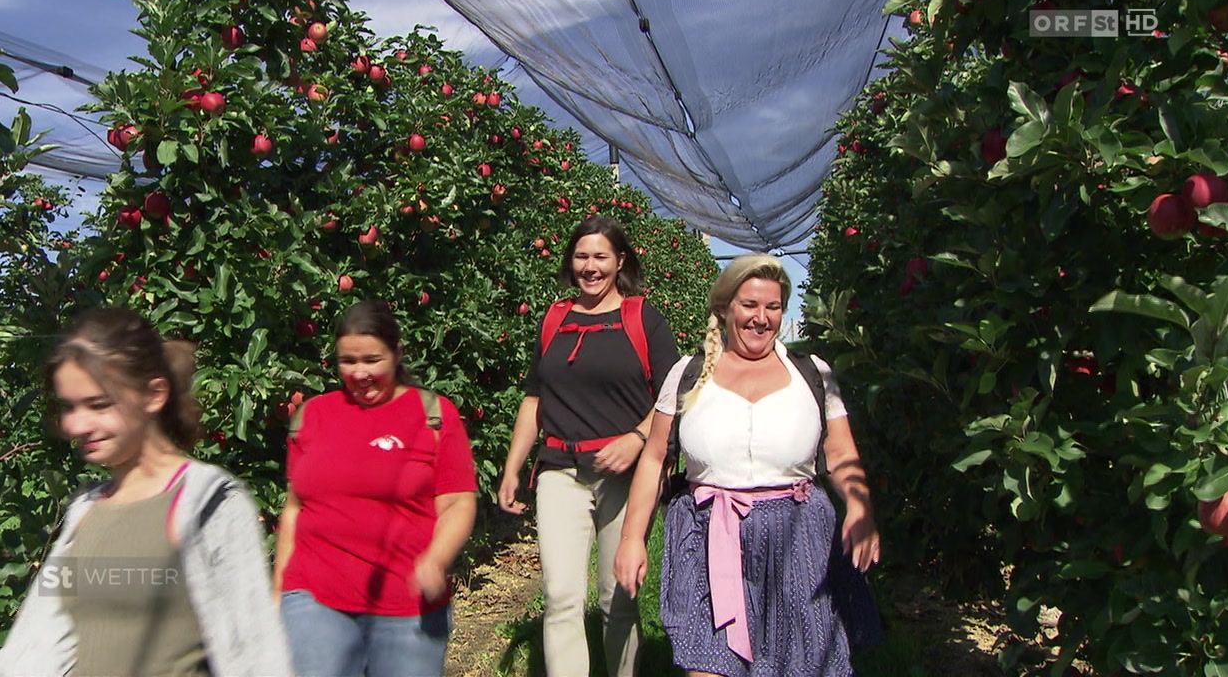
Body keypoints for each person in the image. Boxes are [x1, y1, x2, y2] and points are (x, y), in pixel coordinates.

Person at [0, 307, 294, 677]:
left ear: (153, 394)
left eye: (99, 404)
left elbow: (254, 656)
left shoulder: (208, 504)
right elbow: (35, 645)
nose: (77, 424)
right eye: (69, 407)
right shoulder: (86, 512)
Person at [614, 253, 881, 677]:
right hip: (707, 538)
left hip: (799, 539)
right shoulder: (688, 373)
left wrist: (860, 508)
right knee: (707, 665)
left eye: (773, 307)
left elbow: (843, 454)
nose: (761, 318)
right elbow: (654, 458)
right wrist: (632, 537)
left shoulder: (812, 374)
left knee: (802, 665)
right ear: (724, 309)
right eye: (749, 306)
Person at [497, 215, 681, 677]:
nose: (591, 266)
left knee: (616, 596)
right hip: (561, 469)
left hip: (625, 476)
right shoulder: (555, 318)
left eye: (601, 256)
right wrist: (513, 468)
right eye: (582, 256)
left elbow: (675, 395)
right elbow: (534, 399)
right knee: (560, 597)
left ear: (620, 261)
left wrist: (637, 439)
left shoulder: (642, 318)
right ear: (571, 262)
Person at [274, 299, 479, 677]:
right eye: (348, 362)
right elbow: (294, 509)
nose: (359, 373)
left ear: (397, 354)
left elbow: (457, 503)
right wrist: (278, 592)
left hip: (406, 606)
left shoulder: (433, 415)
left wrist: (436, 558)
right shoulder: (312, 416)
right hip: (314, 596)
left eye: (372, 360)